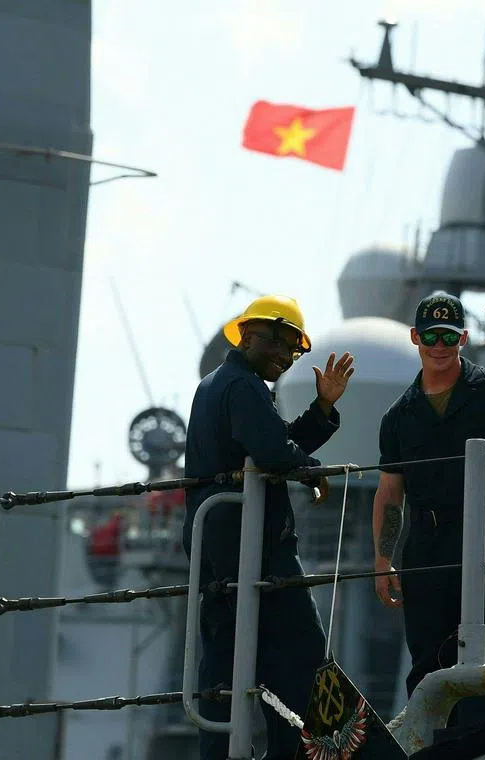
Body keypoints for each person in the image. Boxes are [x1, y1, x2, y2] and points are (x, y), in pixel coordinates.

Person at [371, 285, 485, 721]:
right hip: (428, 550)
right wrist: (383, 559)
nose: (440, 346)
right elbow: (390, 493)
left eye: (449, 336)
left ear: (464, 339)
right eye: (431, 336)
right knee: (428, 666)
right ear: (416, 338)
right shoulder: (398, 416)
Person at [183, 294, 355, 760]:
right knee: (301, 656)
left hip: (216, 546)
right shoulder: (244, 388)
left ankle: (218, 753)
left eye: (294, 352)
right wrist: (313, 470)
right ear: (253, 335)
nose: (286, 358)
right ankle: (298, 754)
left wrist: (322, 410)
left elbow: (272, 444)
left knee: (225, 658)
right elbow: (277, 454)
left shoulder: (216, 385)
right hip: (256, 547)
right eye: (282, 347)